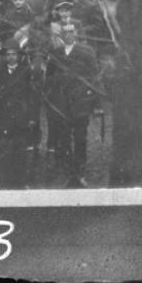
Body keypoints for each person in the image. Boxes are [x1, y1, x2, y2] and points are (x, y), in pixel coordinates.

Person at [49, 17, 100, 187]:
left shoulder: (86, 52)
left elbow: (94, 77)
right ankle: (67, 172)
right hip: (61, 104)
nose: (69, 34)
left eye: (72, 31)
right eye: (66, 31)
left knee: (80, 138)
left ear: (76, 33)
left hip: (80, 103)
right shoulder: (56, 53)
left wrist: (94, 101)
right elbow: (49, 76)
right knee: (63, 138)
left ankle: (80, 171)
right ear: (61, 34)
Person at [0, 43, 39, 188]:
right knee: (5, 151)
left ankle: (21, 182)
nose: (10, 57)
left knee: (21, 151)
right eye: (8, 55)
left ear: (19, 56)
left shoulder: (26, 72)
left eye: (13, 54)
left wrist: (32, 117)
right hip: (5, 118)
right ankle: (6, 182)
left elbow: (32, 96)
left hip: (21, 118)